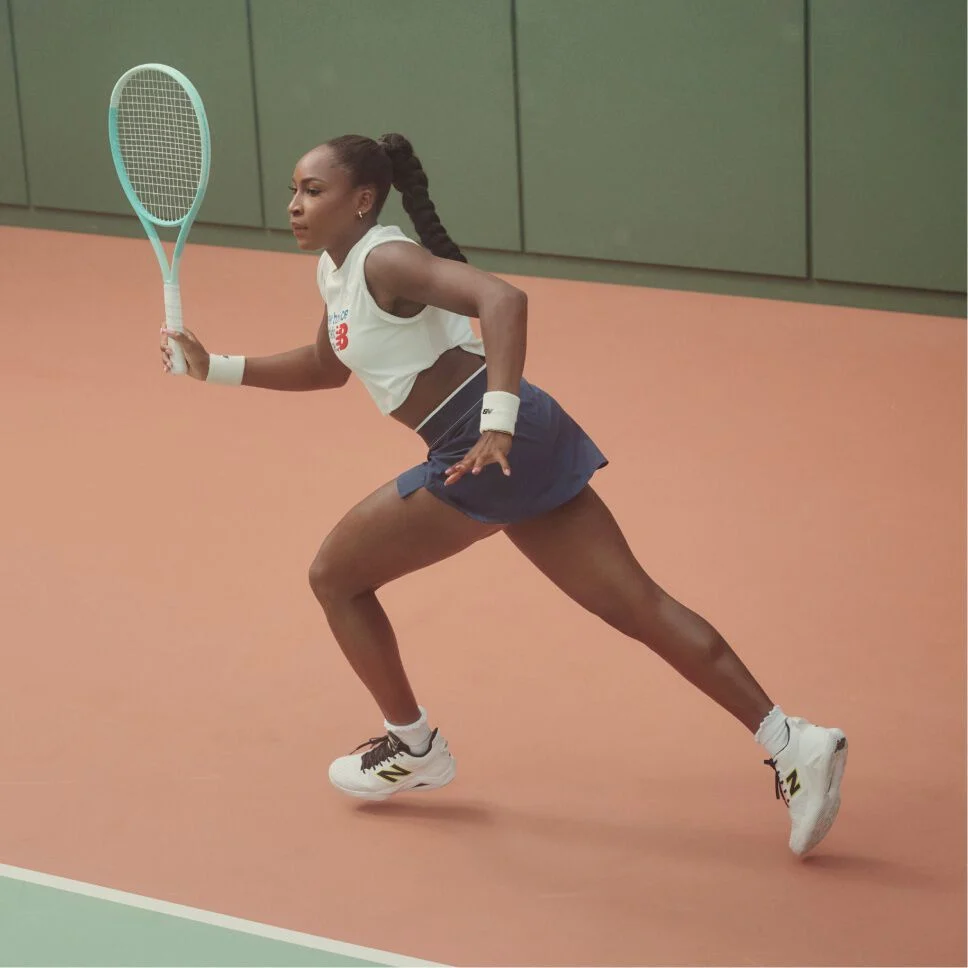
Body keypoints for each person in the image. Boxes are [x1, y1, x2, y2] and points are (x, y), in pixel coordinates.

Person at [160, 133, 847, 857]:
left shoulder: (386, 259)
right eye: (294, 191)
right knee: (636, 605)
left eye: (312, 191)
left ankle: (414, 747)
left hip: (485, 445)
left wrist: (498, 421)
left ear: (362, 200)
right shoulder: (337, 274)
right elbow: (329, 367)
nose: (295, 206)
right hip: (517, 440)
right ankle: (793, 741)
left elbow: (502, 299)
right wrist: (217, 369)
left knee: (335, 576)